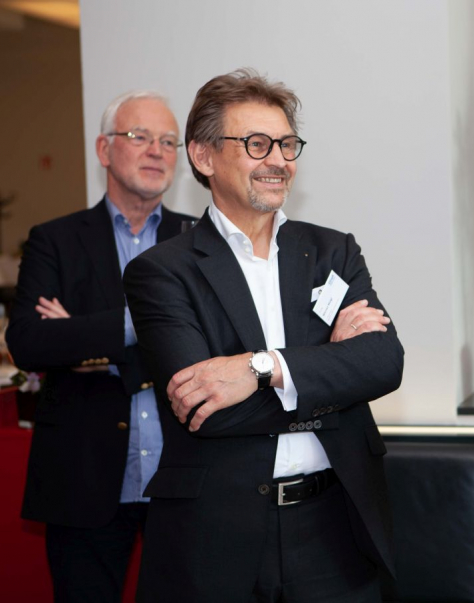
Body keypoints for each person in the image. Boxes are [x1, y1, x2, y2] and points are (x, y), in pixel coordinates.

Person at [122, 68, 404, 603]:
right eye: (256, 144)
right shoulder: (161, 271)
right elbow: (208, 409)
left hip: (335, 529)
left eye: (287, 144)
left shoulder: (331, 252)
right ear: (204, 157)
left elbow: (384, 363)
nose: (279, 159)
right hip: (216, 538)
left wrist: (262, 369)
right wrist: (329, 367)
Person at [6, 90, 194, 602]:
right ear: (103, 149)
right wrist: (145, 324)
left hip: (184, 481)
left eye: (168, 141)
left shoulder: (199, 242)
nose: (157, 151)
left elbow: (216, 346)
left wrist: (85, 335)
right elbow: (27, 342)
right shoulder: (55, 240)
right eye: (139, 137)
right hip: (83, 479)